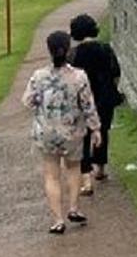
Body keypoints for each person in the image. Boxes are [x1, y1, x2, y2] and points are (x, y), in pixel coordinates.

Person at [21, 30, 102, 234]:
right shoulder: (79, 77)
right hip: (72, 130)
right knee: (73, 169)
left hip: (47, 131)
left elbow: (27, 101)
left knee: (51, 175)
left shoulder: (39, 76)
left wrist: (45, 105)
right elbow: (87, 105)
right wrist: (95, 128)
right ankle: (74, 208)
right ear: (67, 50)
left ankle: (57, 219)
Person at [69, 13, 122, 195]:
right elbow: (116, 72)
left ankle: (86, 181)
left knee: (83, 137)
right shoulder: (106, 49)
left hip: (82, 101)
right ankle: (100, 168)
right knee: (103, 131)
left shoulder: (73, 55)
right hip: (105, 97)